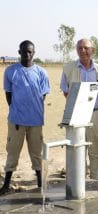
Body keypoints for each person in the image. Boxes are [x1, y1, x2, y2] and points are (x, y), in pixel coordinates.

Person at [0, 40, 50, 195]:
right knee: (13, 152)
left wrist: (32, 111)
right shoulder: (10, 71)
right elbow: (9, 96)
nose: (27, 54)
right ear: (19, 52)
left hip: (35, 121)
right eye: (24, 51)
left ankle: (41, 184)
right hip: (16, 121)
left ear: (34, 53)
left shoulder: (41, 72)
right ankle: (6, 184)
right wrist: (18, 112)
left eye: (30, 52)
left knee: (37, 153)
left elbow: (42, 96)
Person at [60, 38, 98, 180]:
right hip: (76, 116)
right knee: (77, 148)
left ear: (92, 50)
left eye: (86, 48)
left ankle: (96, 181)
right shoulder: (68, 69)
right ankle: (77, 182)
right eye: (80, 48)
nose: (83, 51)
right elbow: (66, 91)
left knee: (97, 149)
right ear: (76, 50)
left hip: (96, 115)